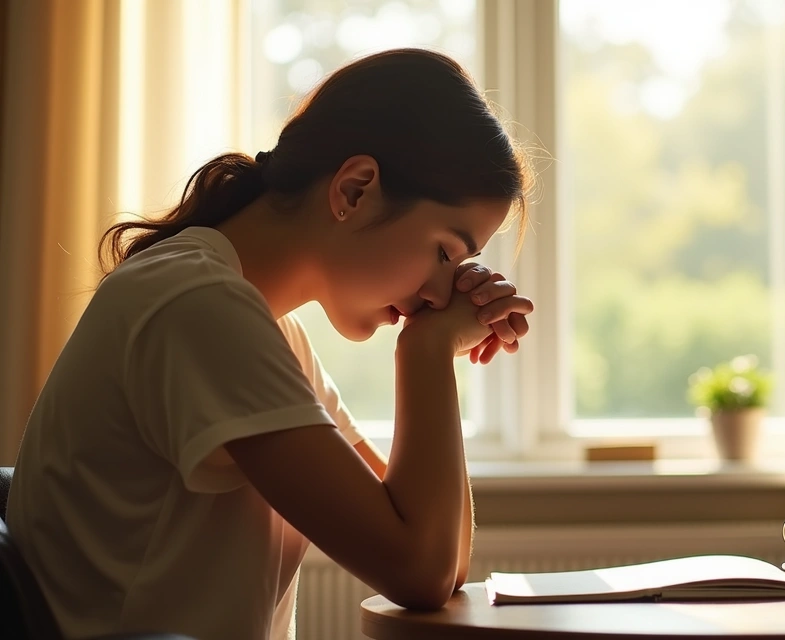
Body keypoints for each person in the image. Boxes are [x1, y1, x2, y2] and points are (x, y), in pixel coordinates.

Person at [6, 48, 534, 640]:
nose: (444, 293)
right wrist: (427, 351)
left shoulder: (268, 329)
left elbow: (440, 556)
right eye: (445, 252)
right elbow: (419, 570)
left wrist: (430, 347)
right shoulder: (196, 303)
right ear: (355, 190)